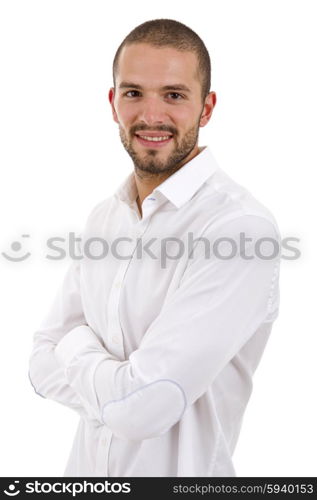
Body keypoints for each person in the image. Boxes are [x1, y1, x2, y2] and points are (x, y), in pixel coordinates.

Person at [28, 18, 281, 477]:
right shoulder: (105, 217)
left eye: (174, 94)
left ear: (206, 108)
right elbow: (40, 361)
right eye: (133, 93)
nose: (151, 115)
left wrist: (79, 345)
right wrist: (114, 388)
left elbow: (145, 407)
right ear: (113, 102)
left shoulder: (239, 231)